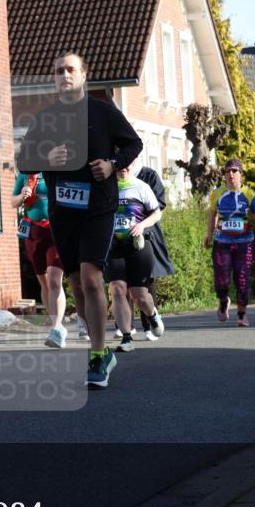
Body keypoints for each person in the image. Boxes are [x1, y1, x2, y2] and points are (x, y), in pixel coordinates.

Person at [16, 52, 143, 389]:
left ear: (84, 75)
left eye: (71, 69)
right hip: (63, 211)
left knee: (90, 277)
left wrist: (112, 165)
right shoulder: (45, 118)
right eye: (59, 71)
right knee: (76, 283)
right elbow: (25, 160)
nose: (65, 75)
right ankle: (98, 345)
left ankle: (99, 355)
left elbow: (134, 143)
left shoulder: (102, 111)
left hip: (98, 207)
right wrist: (46, 157)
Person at [106, 165, 165, 352]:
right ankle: (126, 337)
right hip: (114, 246)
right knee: (117, 289)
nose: (123, 169)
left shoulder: (141, 187)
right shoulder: (106, 188)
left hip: (137, 246)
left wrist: (142, 225)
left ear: (132, 165)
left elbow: (157, 212)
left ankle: (153, 314)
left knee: (138, 295)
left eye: (127, 165)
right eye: (119, 166)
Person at [204, 159, 255, 327]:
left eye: (234, 171)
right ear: (224, 175)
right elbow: (212, 214)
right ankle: (223, 301)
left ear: (241, 174)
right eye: (227, 171)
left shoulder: (250, 194)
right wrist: (208, 234)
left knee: (243, 277)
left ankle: (242, 314)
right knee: (221, 280)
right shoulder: (217, 193)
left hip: (244, 241)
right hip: (222, 241)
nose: (231, 174)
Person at [11, 171, 67, 347]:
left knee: (54, 280)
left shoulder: (52, 173)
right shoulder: (24, 176)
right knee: (43, 282)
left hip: (54, 230)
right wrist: (22, 195)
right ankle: (54, 323)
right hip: (33, 232)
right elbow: (13, 202)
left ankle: (57, 328)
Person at [135, 164, 175, 340]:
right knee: (120, 282)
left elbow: (159, 204)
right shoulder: (114, 175)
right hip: (121, 234)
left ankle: (149, 324)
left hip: (147, 232)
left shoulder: (149, 176)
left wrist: (136, 212)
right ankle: (125, 327)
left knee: (146, 280)